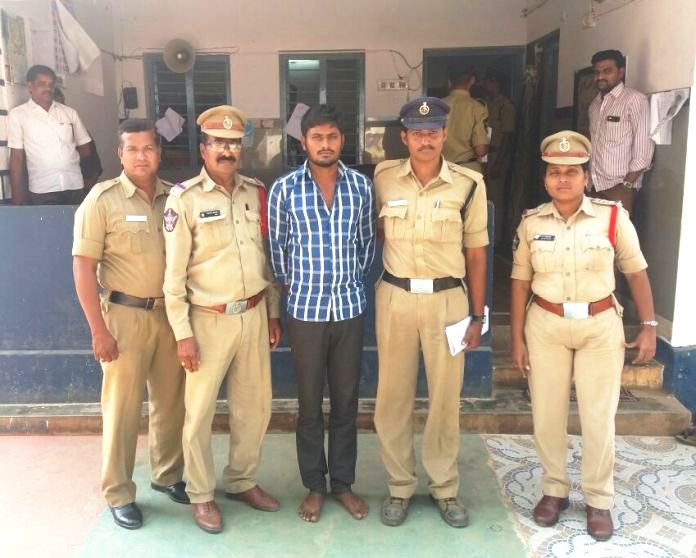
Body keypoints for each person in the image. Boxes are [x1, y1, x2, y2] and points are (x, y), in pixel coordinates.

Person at [510, 131, 657, 541]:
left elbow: (636, 272)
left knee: (598, 416)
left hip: (599, 325)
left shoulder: (612, 218)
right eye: (554, 172)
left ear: (586, 177)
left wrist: (649, 327)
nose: (563, 179)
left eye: (571, 172)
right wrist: (517, 338)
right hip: (547, 325)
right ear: (545, 179)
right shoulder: (531, 222)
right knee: (547, 414)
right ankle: (554, 490)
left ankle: (598, 499)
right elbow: (520, 281)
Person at [163, 105, 282, 534]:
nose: (227, 151)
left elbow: (265, 258)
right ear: (204, 148)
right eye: (218, 143)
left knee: (255, 408)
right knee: (198, 414)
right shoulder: (185, 199)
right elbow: (173, 276)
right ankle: (200, 494)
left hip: (253, 314)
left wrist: (272, 311)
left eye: (233, 143)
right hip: (207, 321)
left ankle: (241, 480)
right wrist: (182, 334)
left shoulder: (255, 192)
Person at [374, 97, 488, 528]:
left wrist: (478, 316)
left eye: (434, 132)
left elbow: (476, 253)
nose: (426, 140)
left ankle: (444, 486)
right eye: (417, 133)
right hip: (396, 297)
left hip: (448, 302)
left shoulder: (469, 183)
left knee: (444, 398)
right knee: (392, 397)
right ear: (404, 137)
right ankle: (399, 486)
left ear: (444, 135)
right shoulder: (384, 177)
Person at [72, 119, 188, 530]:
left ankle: (167, 475)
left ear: (159, 153)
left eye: (149, 148)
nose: (142, 156)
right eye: (133, 149)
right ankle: (119, 492)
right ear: (120, 154)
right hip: (124, 317)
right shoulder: (101, 200)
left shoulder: (176, 198)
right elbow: (83, 267)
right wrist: (98, 330)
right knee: (121, 409)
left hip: (170, 316)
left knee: (171, 403)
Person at [267, 105, 376, 523]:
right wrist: (293, 284)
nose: (325, 145)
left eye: (332, 137)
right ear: (304, 142)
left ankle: (343, 484)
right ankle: (315, 484)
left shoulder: (361, 188)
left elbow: (367, 245)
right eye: (317, 138)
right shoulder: (285, 189)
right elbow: (277, 248)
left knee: (347, 400)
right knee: (310, 402)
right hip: (305, 312)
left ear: (342, 140)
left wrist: (346, 281)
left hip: (349, 308)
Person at [8, 65, 98, 205]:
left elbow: (85, 148)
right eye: (42, 84)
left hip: (74, 184)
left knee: (77, 220)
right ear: (30, 86)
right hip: (42, 189)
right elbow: (16, 158)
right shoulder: (18, 115)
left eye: (51, 84)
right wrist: (17, 198)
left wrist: (67, 160)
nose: (48, 88)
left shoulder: (69, 113)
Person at [588, 50, 654, 216]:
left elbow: (644, 149)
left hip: (619, 188)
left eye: (607, 71)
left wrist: (626, 186)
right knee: (593, 232)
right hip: (594, 186)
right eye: (597, 72)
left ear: (621, 72)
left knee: (617, 232)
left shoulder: (634, 100)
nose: (600, 76)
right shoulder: (594, 106)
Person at [483, 74, 516, 245]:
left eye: (488, 82)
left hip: (497, 157)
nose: (485, 86)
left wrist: (499, 163)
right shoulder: (488, 104)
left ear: (495, 82)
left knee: (496, 199)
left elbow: (508, 136)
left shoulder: (505, 106)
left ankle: (495, 239)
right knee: (485, 197)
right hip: (485, 156)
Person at [442, 67, 490, 173]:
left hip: (440, 170)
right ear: (472, 80)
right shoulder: (477, 107)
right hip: (467, 171)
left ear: (449, 82)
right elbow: (481, 150)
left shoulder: (436, 106)